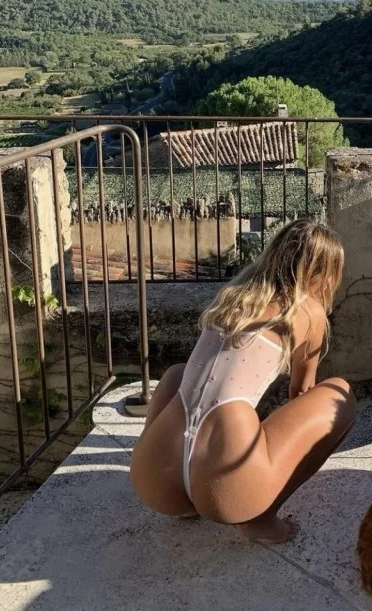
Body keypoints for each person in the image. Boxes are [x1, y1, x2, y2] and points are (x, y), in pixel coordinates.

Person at [130, 218, 355, 543]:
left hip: (155, 483)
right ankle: (259, 517)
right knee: (339, 395)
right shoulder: (309, 311)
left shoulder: (233, 295)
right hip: (226, 489)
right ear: (326, 272)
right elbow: (301, 392)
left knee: (177, 374)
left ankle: (188, 498)